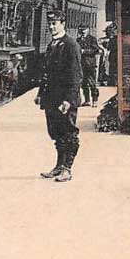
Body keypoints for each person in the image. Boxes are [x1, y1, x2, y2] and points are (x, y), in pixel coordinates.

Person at [35, 10, 82, 182]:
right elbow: (46, 73)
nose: (52, 26)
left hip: (64, 99)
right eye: (50, 23)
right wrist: (40, 94)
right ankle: (58, 166)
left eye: (55, 23)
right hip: (51, 98)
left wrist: (68, 100)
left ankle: (67, 169)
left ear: (63, 23)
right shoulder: (52, 44)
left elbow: (76, 76)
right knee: (55, 132)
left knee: (68, 132)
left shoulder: (71, 45)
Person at [77, 26, 101, 107]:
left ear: (88, 30)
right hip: (82, 65)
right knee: (84, 83)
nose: (83, 31)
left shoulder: (92, 39)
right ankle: (87, 100)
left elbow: (96, 50)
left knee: (92, 83)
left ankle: (94, 100)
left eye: (84, 30)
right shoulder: (78, 40)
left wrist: (85, 51)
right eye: (81, 30)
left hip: (90, 65)